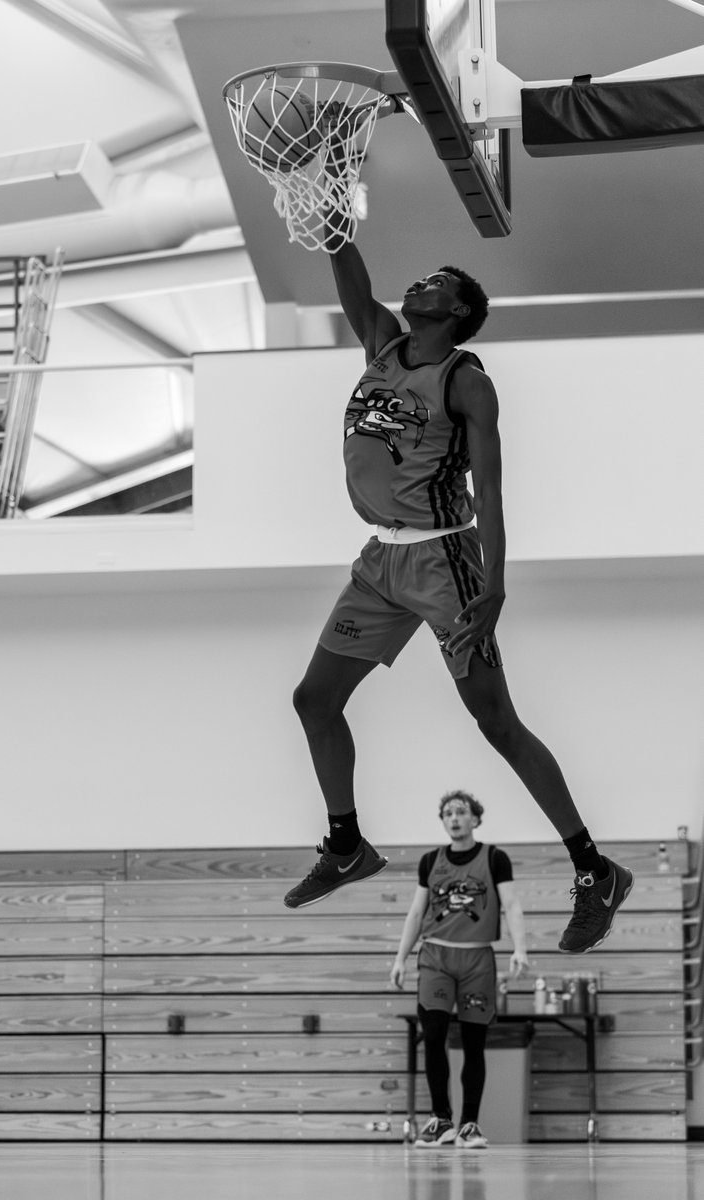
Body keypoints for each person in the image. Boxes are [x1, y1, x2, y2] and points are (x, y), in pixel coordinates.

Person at [282, 212, 633, 955]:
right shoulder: (383, 345)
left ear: (457, 314)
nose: (420, 283)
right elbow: (349, 275)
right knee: (314, 699)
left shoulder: (466, 382)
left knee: (495, 723)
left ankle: (594, 869)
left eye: (436, 284)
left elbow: (493, 491)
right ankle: (346, 845)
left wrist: (495, 584)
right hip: (380, 562)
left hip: (447, 563)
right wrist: (334, 215)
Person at [389, 789, 529, 1149]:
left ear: (475, 818)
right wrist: (400, 957)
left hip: (477, 959)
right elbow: (416, 913)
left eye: (461, 811)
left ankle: (469, 1124)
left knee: (473, 1043)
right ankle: (440, 1120)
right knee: (434, 1036)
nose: (454, 818)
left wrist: (520, 948)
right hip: (436, 956)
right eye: (448, 812)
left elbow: (511, 905)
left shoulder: (495, 858)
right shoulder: (430, 861)